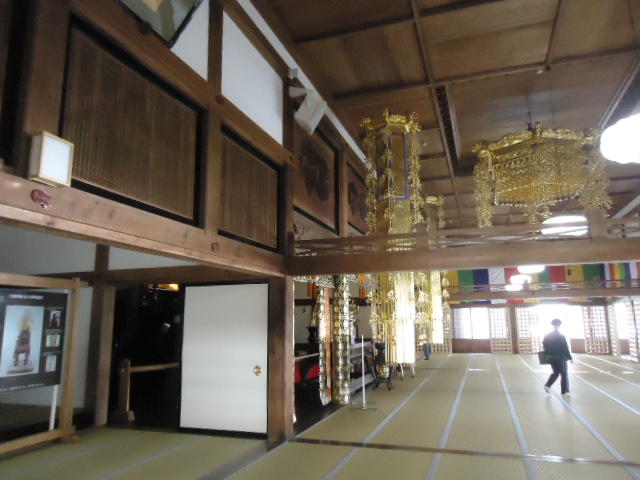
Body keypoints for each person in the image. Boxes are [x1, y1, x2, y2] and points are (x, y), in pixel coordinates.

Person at [543, 319, 573, 395]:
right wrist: (570, 357)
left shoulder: (547, 336)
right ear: (559, 325)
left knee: (556, 372)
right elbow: (565, 348)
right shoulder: (561, 336)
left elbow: (544, 345)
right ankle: (564, 391)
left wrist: (548, 353)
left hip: (551, 357)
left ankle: (547, 385)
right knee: (564, 373)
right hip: (561, 357)